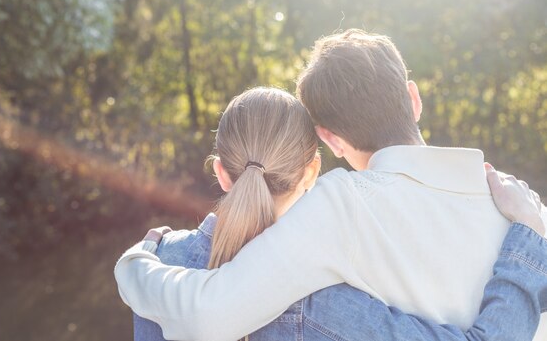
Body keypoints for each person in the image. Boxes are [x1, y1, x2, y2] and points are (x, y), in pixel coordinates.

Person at [115, 30, 547, 341]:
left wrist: (134, 265)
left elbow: (211, 315)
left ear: (332, 140)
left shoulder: (340, 206)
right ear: (414, 99)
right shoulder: (520, 212)